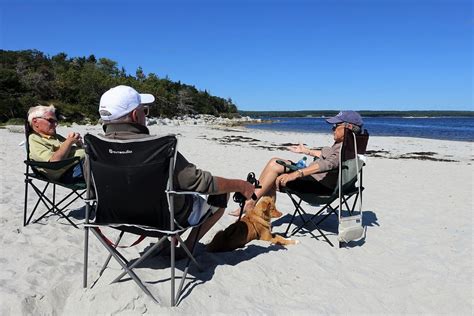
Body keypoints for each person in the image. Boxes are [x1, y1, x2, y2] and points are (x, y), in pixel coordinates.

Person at [98, 85, 256, 256]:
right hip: (164, 221)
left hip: (114, 218)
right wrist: (241, 185)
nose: (145, 114)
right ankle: (186, 248)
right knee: (220, 194)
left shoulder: (94, 148)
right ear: (136, 115)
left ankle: (167, 243)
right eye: (144, 110)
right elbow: (200, 182)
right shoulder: (156, 148)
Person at [229, 110, 364, 216]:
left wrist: (297, 174)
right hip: (321, 181)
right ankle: (254, 204)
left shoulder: (343, 147)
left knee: (273, 171)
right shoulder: (350, 145)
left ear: (349, 127)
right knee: (274, 163)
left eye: (336, 126)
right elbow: (330, 156)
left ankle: (252, 204)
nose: (333, 129)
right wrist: (306, 151)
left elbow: (329, 164)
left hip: (319, 187)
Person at [27, 105, 85, 182]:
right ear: (35, 122)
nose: (55, 124)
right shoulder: (34, 138)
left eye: (56, 121)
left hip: (81, 164)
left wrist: (79, 144)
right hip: (68, 173)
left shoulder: (55, 137)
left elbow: (70, 150)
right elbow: (54, 162)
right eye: (51, 120)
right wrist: (69, 141)